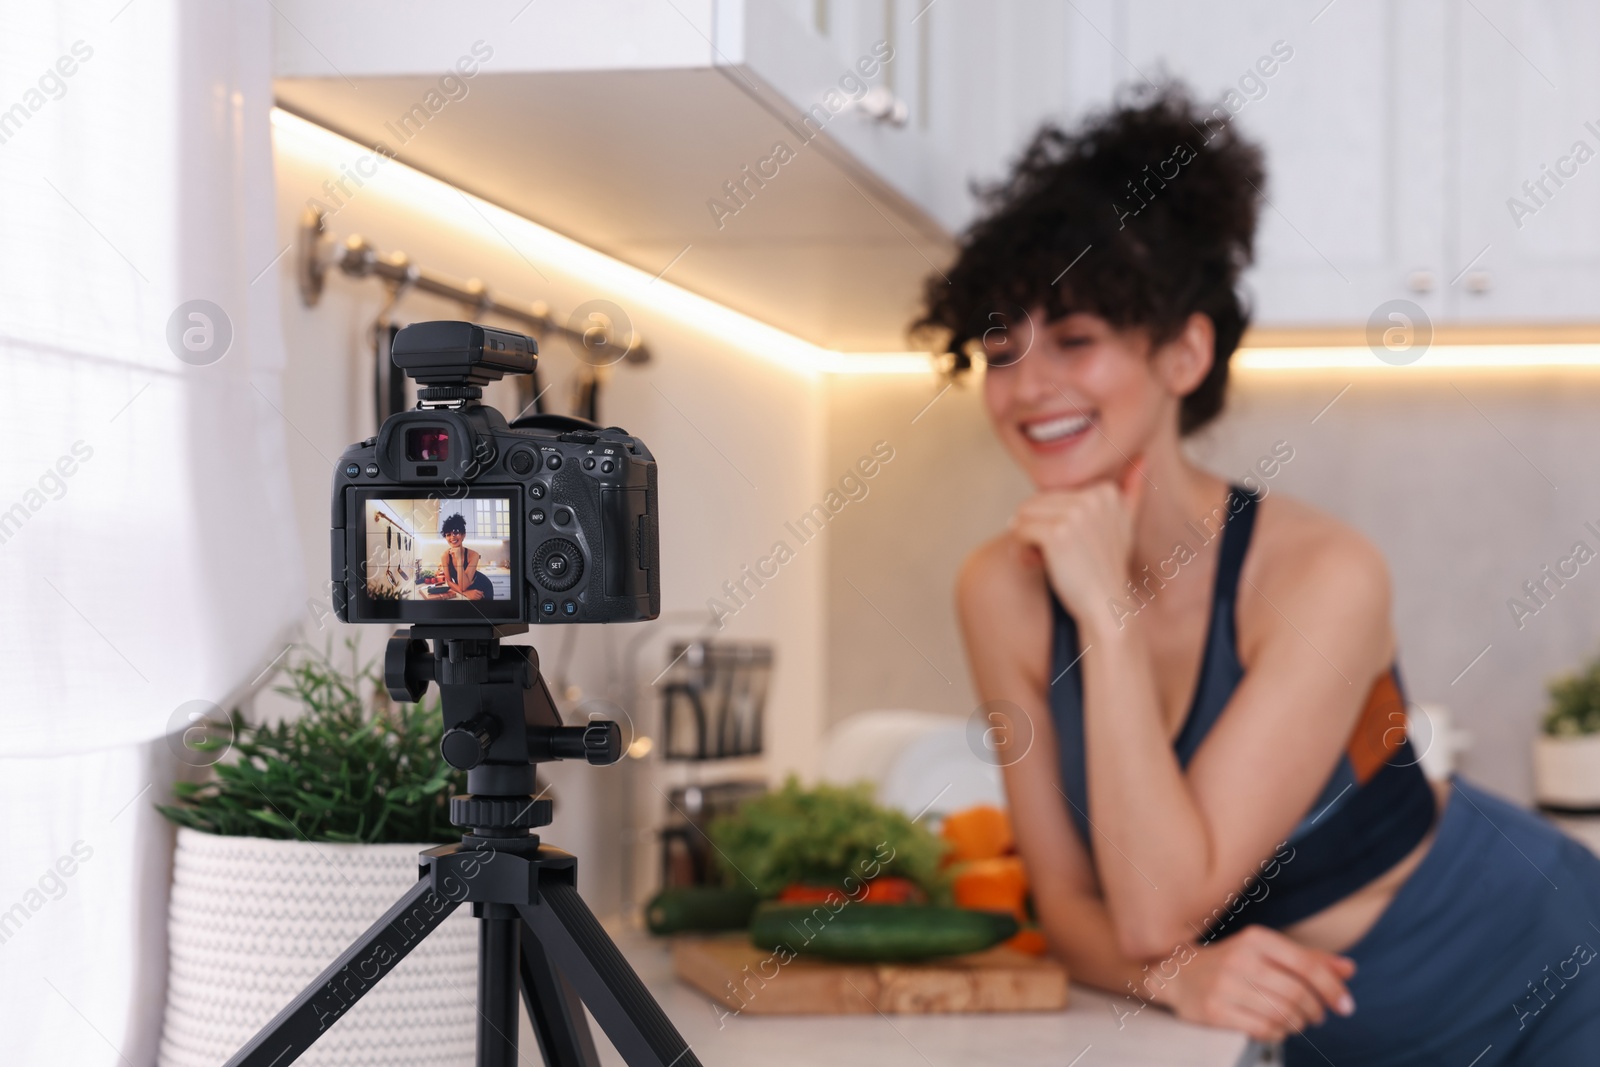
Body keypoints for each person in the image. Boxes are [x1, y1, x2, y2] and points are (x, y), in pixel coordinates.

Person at [916, 85, 1600, 1064]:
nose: (1027, 386)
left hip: (1527, 971)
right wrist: (1171, 974)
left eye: (1074, 339)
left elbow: (1156, 907)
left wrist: (1105, 612)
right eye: (999, 347)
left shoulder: (1321, 572)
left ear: (1184, 351)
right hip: (1290, 1025)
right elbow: (1069, 906)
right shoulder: (998, 589)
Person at [434, 513, 494, 600]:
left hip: (482, 587)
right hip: (465, 590)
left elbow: (463, 585)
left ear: (463, 535)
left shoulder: (474, 555)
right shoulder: (445, 556)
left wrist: (458, 559)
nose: (452, 537)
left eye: (456, 533)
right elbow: (449, 582)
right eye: (448, 534)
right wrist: (466, 593)